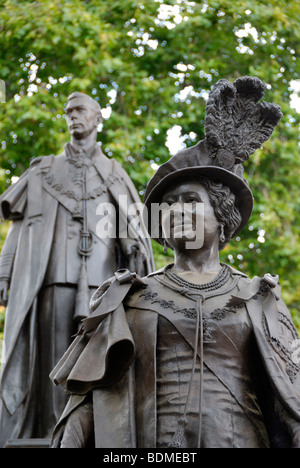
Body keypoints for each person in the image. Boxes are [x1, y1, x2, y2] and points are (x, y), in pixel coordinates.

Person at [50, 77, 300, 448]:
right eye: (168, 205)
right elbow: (85, 401)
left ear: (222, 216)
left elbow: (290, 400)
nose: (176, 211)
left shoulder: (258, 297)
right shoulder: (127, 297)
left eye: (190, 201)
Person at [0, 92, 154, 446]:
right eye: (68, 111)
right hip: (53, 281)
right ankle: (55, 434)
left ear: (98, 118)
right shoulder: (43, 170)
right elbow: (19, 230)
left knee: (100, 362)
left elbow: (133, 233)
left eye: (80, 110)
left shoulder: (115, 173)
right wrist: (5, 273)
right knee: (55, 362)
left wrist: (132, 248)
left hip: (104, 288)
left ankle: (94, 436)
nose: (73, 116)